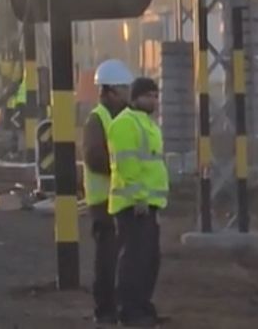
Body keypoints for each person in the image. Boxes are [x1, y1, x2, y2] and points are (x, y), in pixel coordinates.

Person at [108, 76, 167, 327]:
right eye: (148, 96)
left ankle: (143, 306)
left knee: (150, 260)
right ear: (135, 98)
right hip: (133, 206)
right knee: (134, 260)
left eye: (156, 95)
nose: (154, 100)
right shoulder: (125, 124)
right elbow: (127, 165)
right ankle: (129, 311)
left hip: (149, 205)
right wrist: (140, 199)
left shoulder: (149, 125)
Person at [84, 59, 135, 325]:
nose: (128, 94)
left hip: (118, 199)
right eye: (124, 89)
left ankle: (114, 306)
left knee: (117, 257)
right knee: (106, 258)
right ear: (111, 91)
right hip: (103, 201)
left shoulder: (120, 117)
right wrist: (122, 171)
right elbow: (94, 157)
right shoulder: (98, 119)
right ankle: (104, 310)